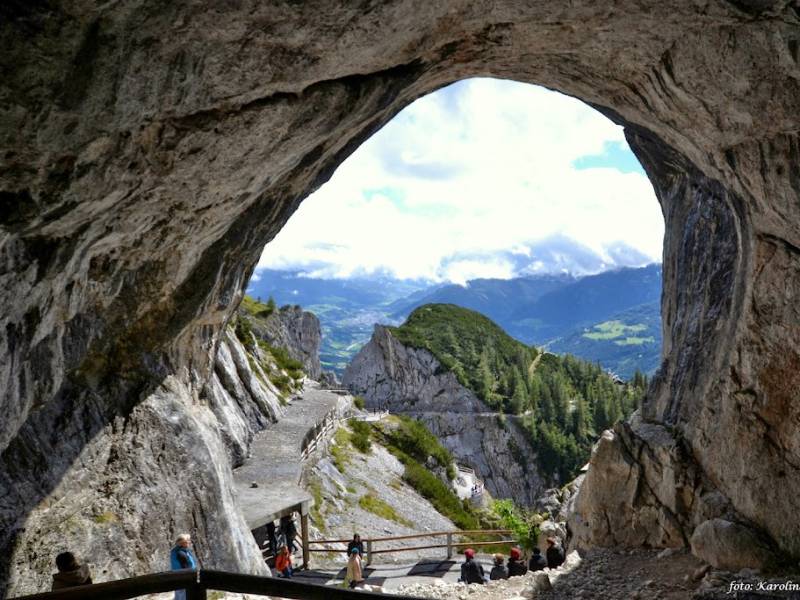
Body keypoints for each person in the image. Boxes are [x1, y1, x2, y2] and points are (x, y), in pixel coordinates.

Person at [170, 533, 198, 600]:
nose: (189, 542)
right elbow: (186, 567)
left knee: (178, 596)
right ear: (183, 543)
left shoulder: (178, 551)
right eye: (188, 541)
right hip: (183, 578)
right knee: (184, 596)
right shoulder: (181, 553)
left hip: (178, 578)